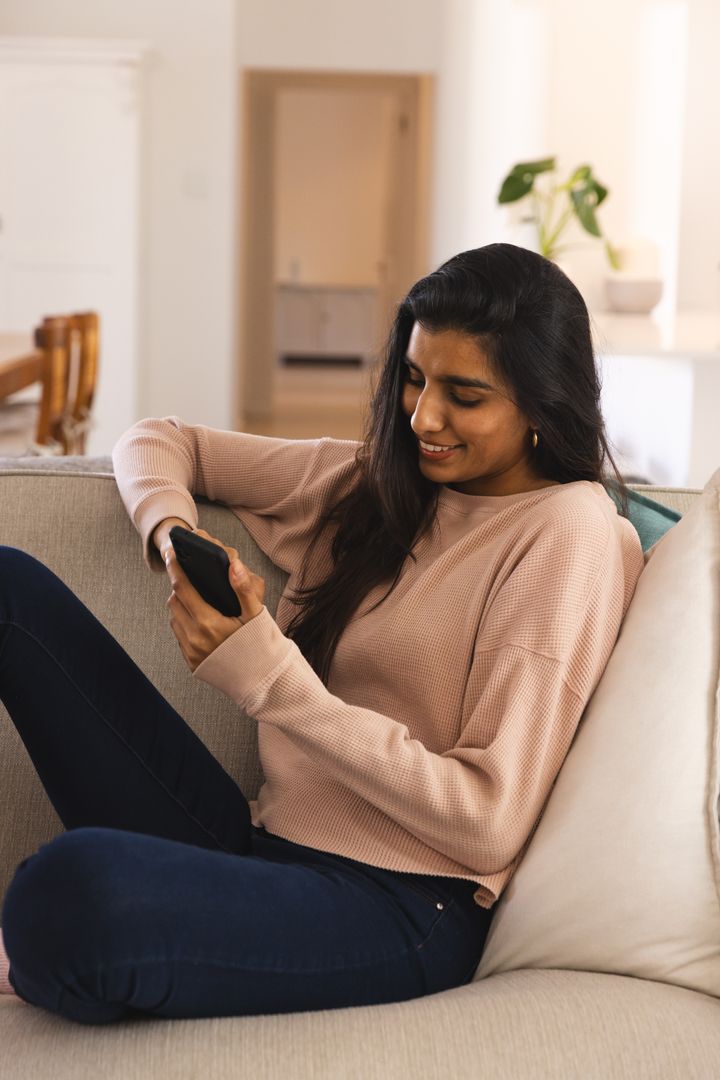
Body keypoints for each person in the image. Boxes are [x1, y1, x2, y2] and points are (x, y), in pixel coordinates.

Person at [0, 243, 644, 1024]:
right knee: (9, 587)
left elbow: (486, 821)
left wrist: (273, 683)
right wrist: (174, 539)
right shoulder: (373, 484)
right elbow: (161, 440)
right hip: (257, 841)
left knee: (69, 891)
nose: (423, 417)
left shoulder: (568, 531)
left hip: (404, 905)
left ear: (543, 405)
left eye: (464, 396)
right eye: (413, 377)